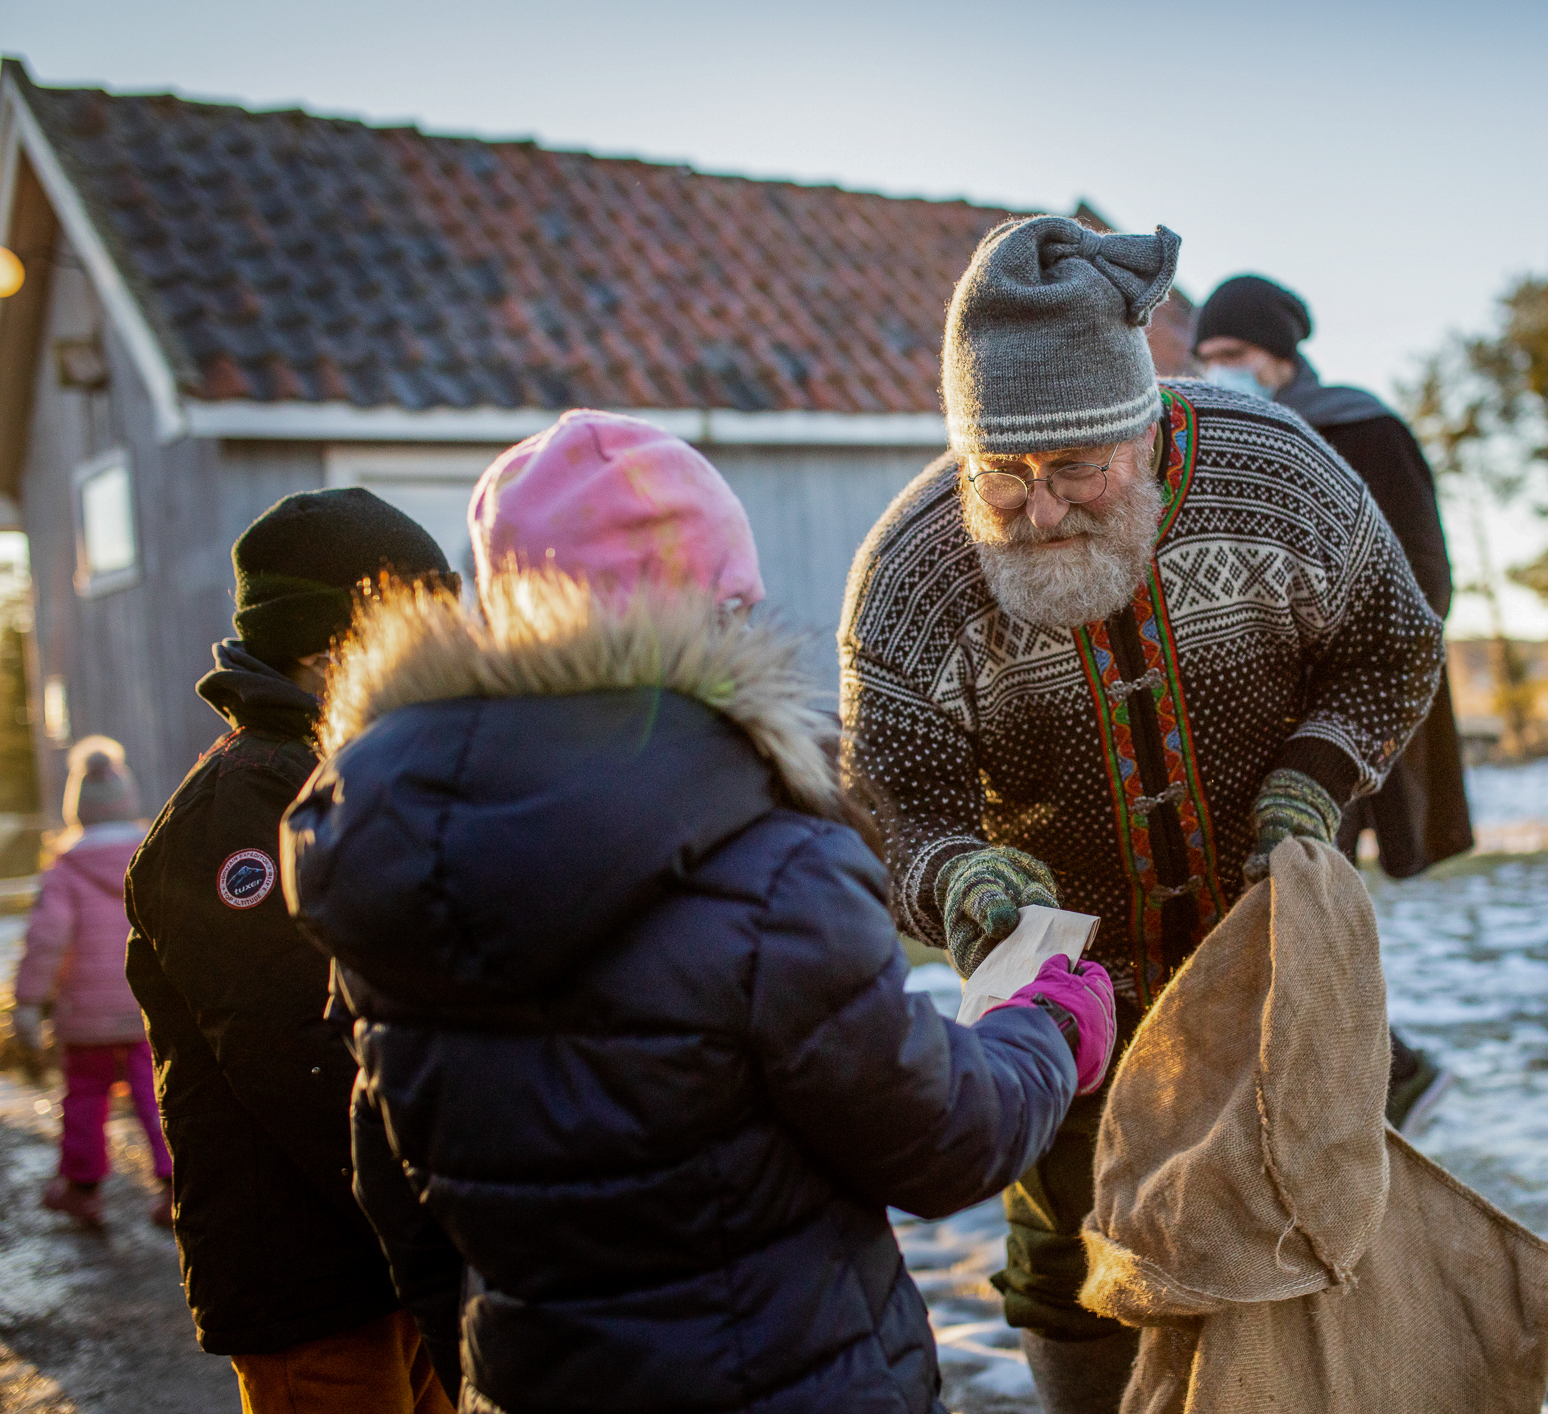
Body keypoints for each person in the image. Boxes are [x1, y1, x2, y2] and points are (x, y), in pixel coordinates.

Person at [279, 409, 1114, 1414]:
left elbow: (396, 1192)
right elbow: (935, 1140)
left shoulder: (389, 854)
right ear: (711, 611)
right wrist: (1047, 1028)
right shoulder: (767, 858)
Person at [839, 217, 1442, 1412]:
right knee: (1076, 1274)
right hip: (1065, 1005)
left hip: (1269, 971)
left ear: (1146, 428)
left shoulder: (1281, 473)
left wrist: (1312, 777)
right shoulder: (911, 574)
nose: (1041, 509)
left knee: (1303, 1249)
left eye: (1077, 470)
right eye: (1003, 478)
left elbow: (1394, 641)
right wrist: (957, 875)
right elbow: (890, 796)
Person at [125, 489, 461, 1411]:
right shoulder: (239, 811)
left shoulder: (351, 777)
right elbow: (295, 1051)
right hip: (314, 1274)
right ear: (329, 650)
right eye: (419, 632)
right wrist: (436, 1204)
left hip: (402, 1254)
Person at [1194, 272, 1475, 1132]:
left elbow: (1422, 579)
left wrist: (1353, 695)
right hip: (1250, 722)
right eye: (1206, 356)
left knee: (1298, 904)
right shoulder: (1220, 439)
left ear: (1280, 355)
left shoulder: (1360, 428)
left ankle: (1385, 1083)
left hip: (1342, 720)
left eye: (1234, 352)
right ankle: (1361, 1092)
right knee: (1275, 917)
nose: (1218, 370)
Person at [11, 736, 167, 1229]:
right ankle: (175, 1185)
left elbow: (46, 942)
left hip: (85, 1015)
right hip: (146, 1007)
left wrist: (28, 1004)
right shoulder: (152, 854)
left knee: (84, 1097)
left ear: (77, 807)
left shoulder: (64, 868)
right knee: (156, 1093)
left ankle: (82, 1190)